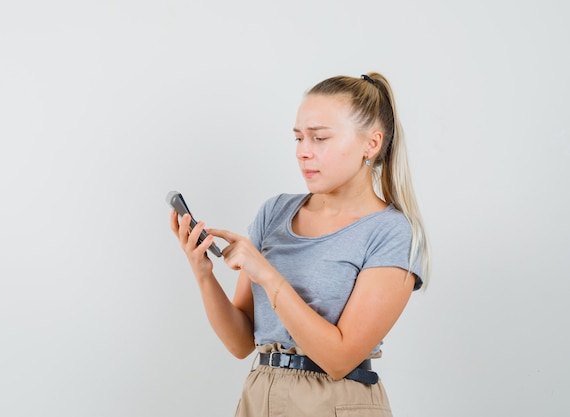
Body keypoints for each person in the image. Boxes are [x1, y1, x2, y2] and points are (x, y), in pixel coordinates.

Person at [169, 72, 431, 417]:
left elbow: (339, 359)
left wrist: (266, 274)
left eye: (319, 138)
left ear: (372, 144)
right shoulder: (274, 212)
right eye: (298, 138)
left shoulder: (392, 232)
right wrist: (203, 274)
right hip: (260, 394)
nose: (303, 153)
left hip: (335, 403)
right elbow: (240, 343)